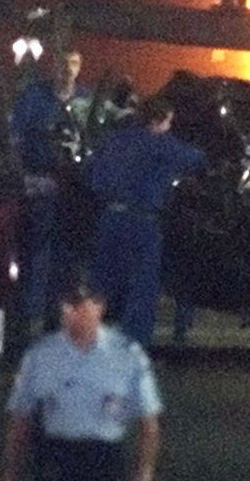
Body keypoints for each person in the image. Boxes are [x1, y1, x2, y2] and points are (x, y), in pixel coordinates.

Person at [1, 273, 163, 481]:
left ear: (100, 306)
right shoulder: (40, 356)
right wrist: (11, 477)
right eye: (67, 305)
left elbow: (149, 424)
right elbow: (20, 421)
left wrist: (143, 479)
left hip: (104, 461)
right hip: (57, 460)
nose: (72, 313)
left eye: (80, 305)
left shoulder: (127, 356)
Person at [88, 95, 206, 347]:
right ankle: (133, 349)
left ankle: (88, 342)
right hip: (141, 223)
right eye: (168, 123)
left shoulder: (114, 140)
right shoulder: (158, 143)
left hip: (108, 220)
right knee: (141, 289)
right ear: (157, 120)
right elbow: (195, 158)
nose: (169, 129)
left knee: (101, 286)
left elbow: (93, 175)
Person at [11, 49, 94, 329]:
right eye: (63, 63)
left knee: (68, 257)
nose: (68, 69)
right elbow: (16, 137)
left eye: (73, 63)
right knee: (36, 250)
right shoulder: (35, 96)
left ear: (79, 67)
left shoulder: (86, 100)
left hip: (74, 191)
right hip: (40, 184)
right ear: (54, 67)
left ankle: (56, 314)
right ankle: (29, 314)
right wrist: (24, 176)